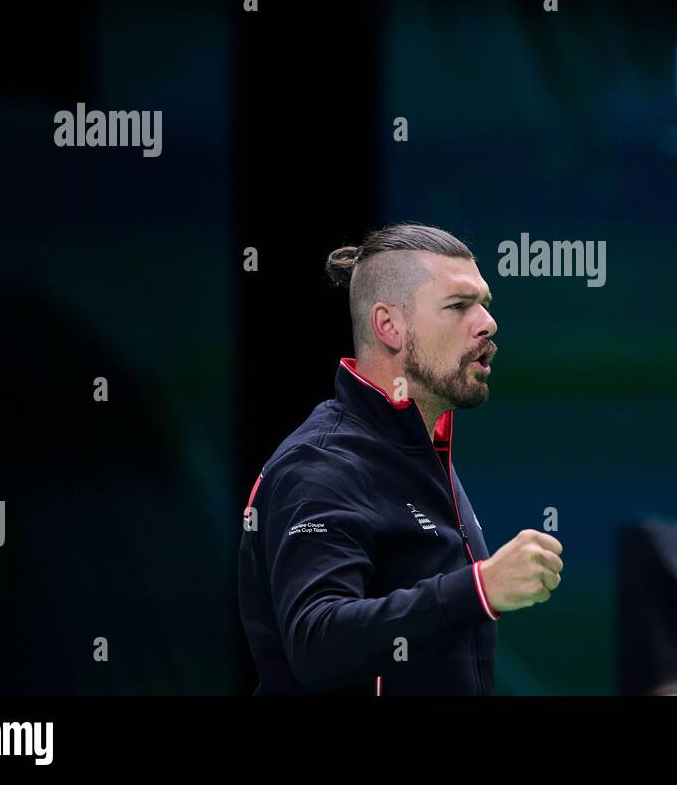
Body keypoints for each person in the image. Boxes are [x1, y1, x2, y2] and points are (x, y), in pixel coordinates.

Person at [238, 223, 563, 694]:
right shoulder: (322, 464)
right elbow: (317, 643)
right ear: (388, 325)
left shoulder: (421, 449)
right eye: (458, 306)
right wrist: (479, 589)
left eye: (484, 304)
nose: (487, 323)